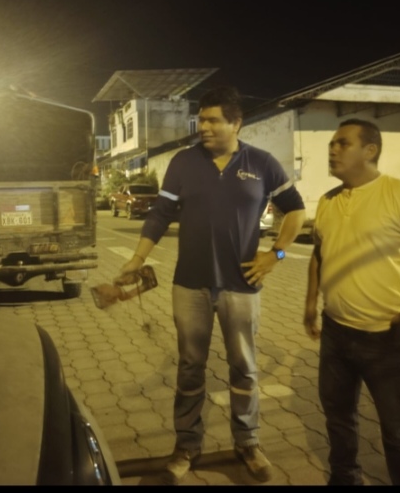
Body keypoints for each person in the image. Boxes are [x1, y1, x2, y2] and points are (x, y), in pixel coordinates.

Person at [116, 85, 306, 484]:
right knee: (190, 368)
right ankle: (186, 445)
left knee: (244, 368)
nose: (203, 126)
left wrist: (276, 254)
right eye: (201, 119)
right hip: (190, 286)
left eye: (213, 120)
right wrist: (137, 259)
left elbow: (296, 210)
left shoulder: (262, 163)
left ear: (236, 123)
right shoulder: (184, 162)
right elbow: (160, 214)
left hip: (242, 285)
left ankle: (247, 442)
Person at [303, 119, 400, 485]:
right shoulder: (327, 201)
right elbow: (319, 253)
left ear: (370, 150)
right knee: (338, 417)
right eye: (331, 144)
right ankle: (345, 477)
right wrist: (311, 302)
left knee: (398, 428)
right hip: (336, 333)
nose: (332, 150)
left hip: (386, 336)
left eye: (342, 143)